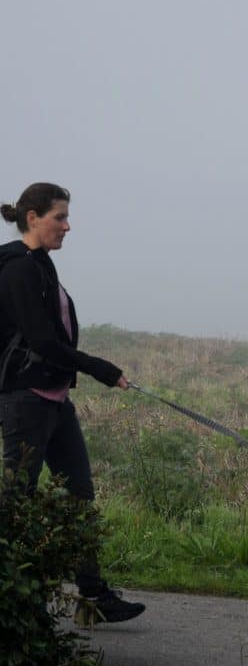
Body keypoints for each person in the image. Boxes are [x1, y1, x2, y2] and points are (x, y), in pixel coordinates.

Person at [0, 183, 145, 623]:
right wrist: (98, 367)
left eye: (66, 217)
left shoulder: (40, 264)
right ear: (33, 219)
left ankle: (93, 597)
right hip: (26, 400)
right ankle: (18, 604)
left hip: (54, 398)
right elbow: (43, 340)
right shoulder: (18, 270)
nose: (67, 225)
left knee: (77, 494)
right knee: (19, 501)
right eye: (59, 217)